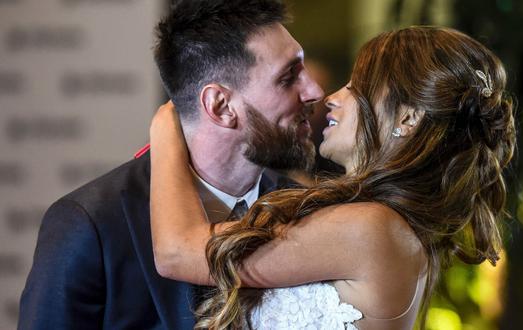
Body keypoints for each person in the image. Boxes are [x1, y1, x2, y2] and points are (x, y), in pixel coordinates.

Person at [149, 26, 516, 329]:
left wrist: (167, 122)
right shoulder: (382, 223)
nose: (332, 98)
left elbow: (180, 252)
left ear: (407, 119)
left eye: (357, 89)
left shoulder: (371, 228)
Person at [18, 1, 322, 329]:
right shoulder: (91, 224)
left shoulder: (306, 210)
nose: (314, 91)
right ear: (220, 106)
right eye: (289, 76)